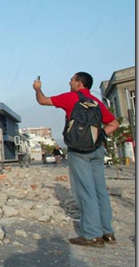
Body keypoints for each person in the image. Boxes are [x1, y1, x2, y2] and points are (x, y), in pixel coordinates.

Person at [33, 72, 119, 247]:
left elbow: (42, 101)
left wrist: (37, 89)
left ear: (79, 83)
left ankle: (92, 235)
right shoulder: (96, 102)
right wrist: (99, 137)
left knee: (84, 191)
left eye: (72, 79)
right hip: (97, 150)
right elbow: (114, 124)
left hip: (79, 151)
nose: (69, 81)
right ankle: (107, 232)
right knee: (100, 190)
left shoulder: (71, 98)